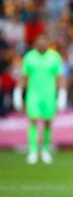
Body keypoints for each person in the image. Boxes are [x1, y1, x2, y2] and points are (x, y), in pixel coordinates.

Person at [13, 34, 67, 164]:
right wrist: (18, 92)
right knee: (33, 120)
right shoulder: (29, 57)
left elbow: (60, 77)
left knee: (48, 122)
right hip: (33, 94)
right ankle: (32, 151)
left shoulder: (55, 57)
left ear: (47, 43)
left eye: (43, 42)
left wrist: (62, 94)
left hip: (49, 93)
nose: (41, 44)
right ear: (35, 43)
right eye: (39, 42)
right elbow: (24, 76)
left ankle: (44, 150)